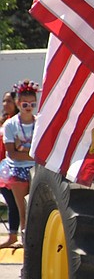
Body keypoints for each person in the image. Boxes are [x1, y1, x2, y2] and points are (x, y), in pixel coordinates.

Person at [0, 81, 40, 244]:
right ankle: (23, 239)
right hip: (16, 170)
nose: (28, 106)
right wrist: (30, 152)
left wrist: (23, 148)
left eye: (32, 103)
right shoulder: (11, 124)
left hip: (36, 168)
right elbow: (12, 153)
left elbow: (42, 151)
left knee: (37, 206)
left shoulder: (39, 122)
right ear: (18, 103)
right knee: (22, 208)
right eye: (24, 103)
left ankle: (36, 239)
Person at [0, 90, 20, 246]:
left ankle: (14, 235)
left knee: (14, 203)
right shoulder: (3, 121)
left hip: (12, 167)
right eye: (4, 101)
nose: (6, 104)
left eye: (9, 101)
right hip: (2, 168)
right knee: (10, 202)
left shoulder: (18, 122)